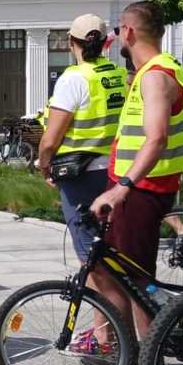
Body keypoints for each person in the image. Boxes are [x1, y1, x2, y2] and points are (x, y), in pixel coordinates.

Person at [90, 1, 183, 365]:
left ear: (129, 32)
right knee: (115, 271)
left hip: (140, 190)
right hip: (144, 187)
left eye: (119, 30)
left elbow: (156, 139)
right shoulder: (164, 71)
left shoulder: (154, 77)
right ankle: (131, 358)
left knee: (135, 279)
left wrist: (122, 189)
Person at [36, 14, 126, 263]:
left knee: (89, 252)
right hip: (116, 169)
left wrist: (44, 165)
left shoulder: (73, 78)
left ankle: (107, 300)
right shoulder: (119, 75)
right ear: (105, 43)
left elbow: (51, 140)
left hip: (80, 173)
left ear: (70, 41)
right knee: (110, 246)